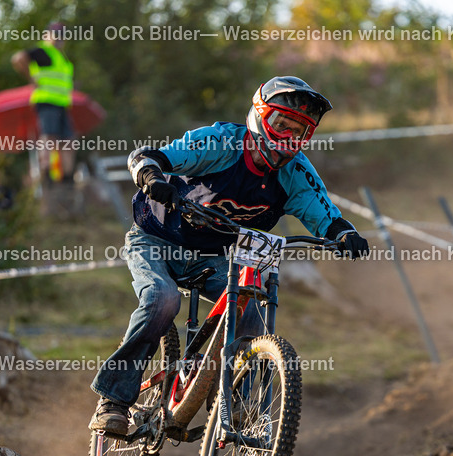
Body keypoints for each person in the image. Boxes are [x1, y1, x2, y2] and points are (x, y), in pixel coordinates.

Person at [89, 76, 369, 435]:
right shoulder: (220, 142)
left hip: (217, 254)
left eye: (298, 131)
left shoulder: (296, 173)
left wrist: (345, 235)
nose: (287, 138)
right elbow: (148, 157)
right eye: (280, 124)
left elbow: (325, 214)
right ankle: (113, 400)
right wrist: (151, 178)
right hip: (156, 239)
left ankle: (236, 403)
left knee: (250, 308)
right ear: (259, 115)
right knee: (162, 299)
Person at [11, 22, 75, 183]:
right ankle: (45, 172)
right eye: (56, 35)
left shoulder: (62, 58)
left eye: (61, 36)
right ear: (47, 35)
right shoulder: (42, 52)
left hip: (62, 104)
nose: (59, 39)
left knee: (68, 140)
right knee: (49, 136)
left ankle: (67, 176)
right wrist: (31, 78)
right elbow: (18, 58)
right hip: (46, 102)